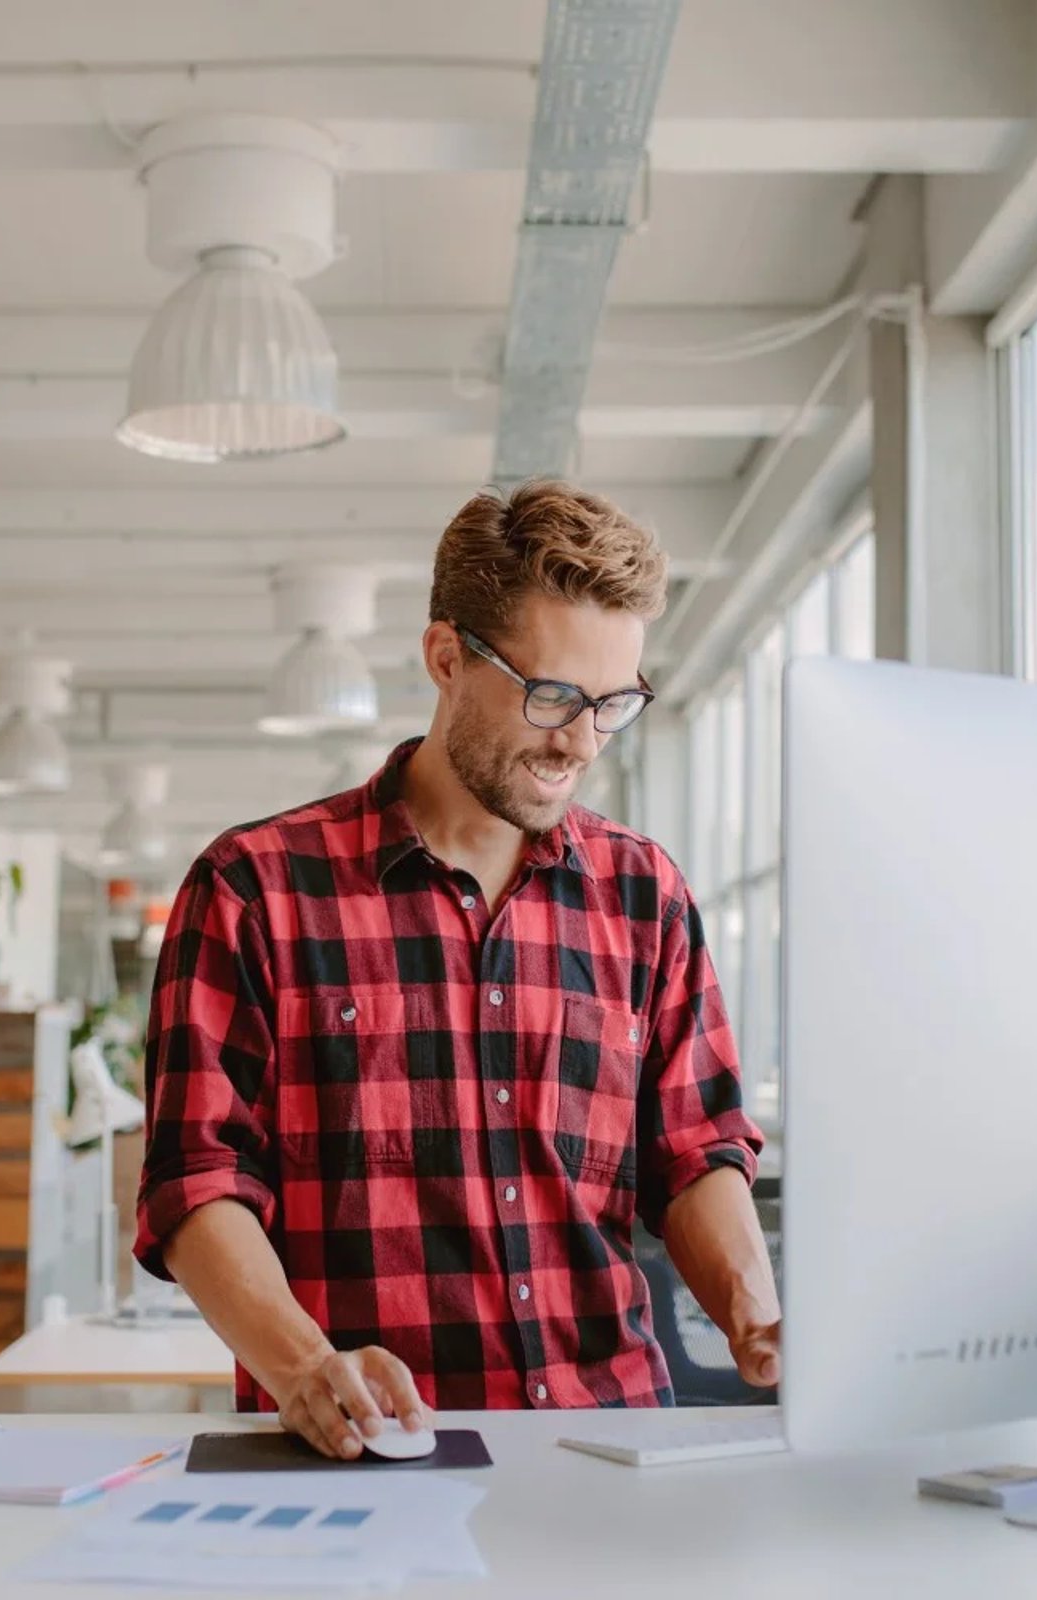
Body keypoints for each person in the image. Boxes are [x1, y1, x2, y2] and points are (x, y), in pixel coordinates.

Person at [135, 480, 780, 1460]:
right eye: (553, 694)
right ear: (446, 658)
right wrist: (305, 1363)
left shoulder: (643, 894)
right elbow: (197, 1179)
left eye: (614, 703)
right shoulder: (254, 889)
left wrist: (756, 1317)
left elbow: (694, 1148)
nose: (580, 739)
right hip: (368, 1453)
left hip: (609, 1446)